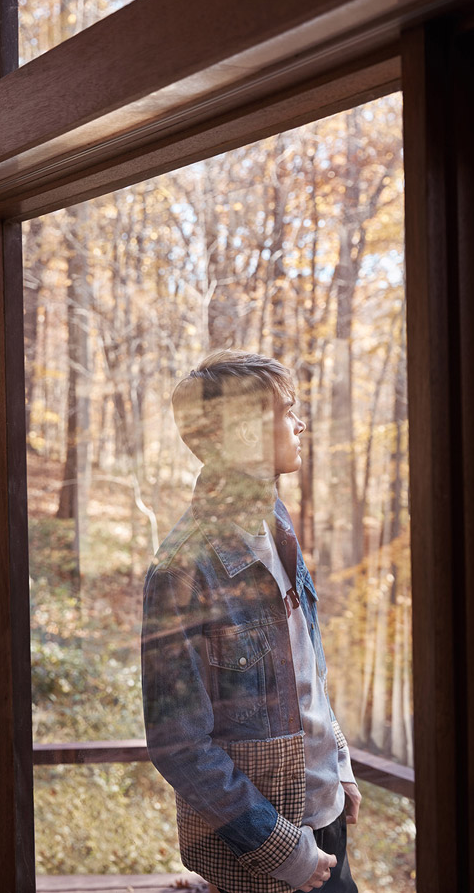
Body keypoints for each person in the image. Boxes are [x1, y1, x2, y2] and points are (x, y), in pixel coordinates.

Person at [141, 350, 361, 893]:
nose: (300, 424)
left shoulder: (277, 522)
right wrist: (281, 850)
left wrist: (338, 763)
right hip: (265, 855)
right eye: (287, 411)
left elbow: (303, 669)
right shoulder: (182, 569)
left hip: (326, 821)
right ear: (244, 434)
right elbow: (178, 744)